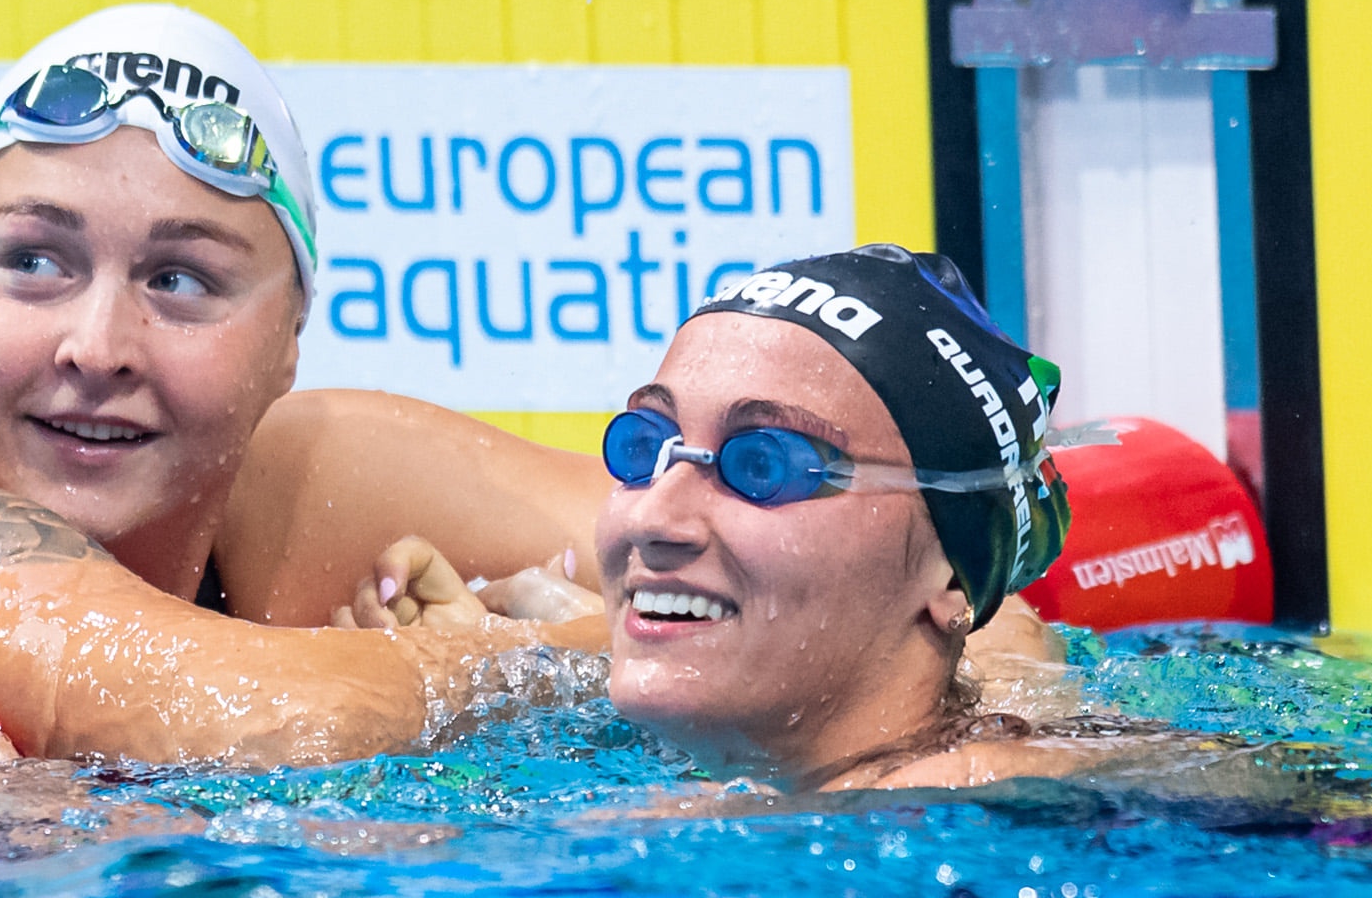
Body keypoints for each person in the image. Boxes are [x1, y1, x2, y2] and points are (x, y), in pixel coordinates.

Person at [0, 3, 608, 761]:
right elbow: (277, 722)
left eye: (179, 280)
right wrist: (531, 658)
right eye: (34, 262)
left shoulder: (316, 481)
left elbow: (730, 553)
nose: (98, 345)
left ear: (290, 340)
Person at [343, 244, 1121, 792]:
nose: (656, 515)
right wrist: (508, 662)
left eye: (764, 464)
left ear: (950, 571)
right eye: (645, 444)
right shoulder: (753, 795)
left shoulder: (1000, 812)